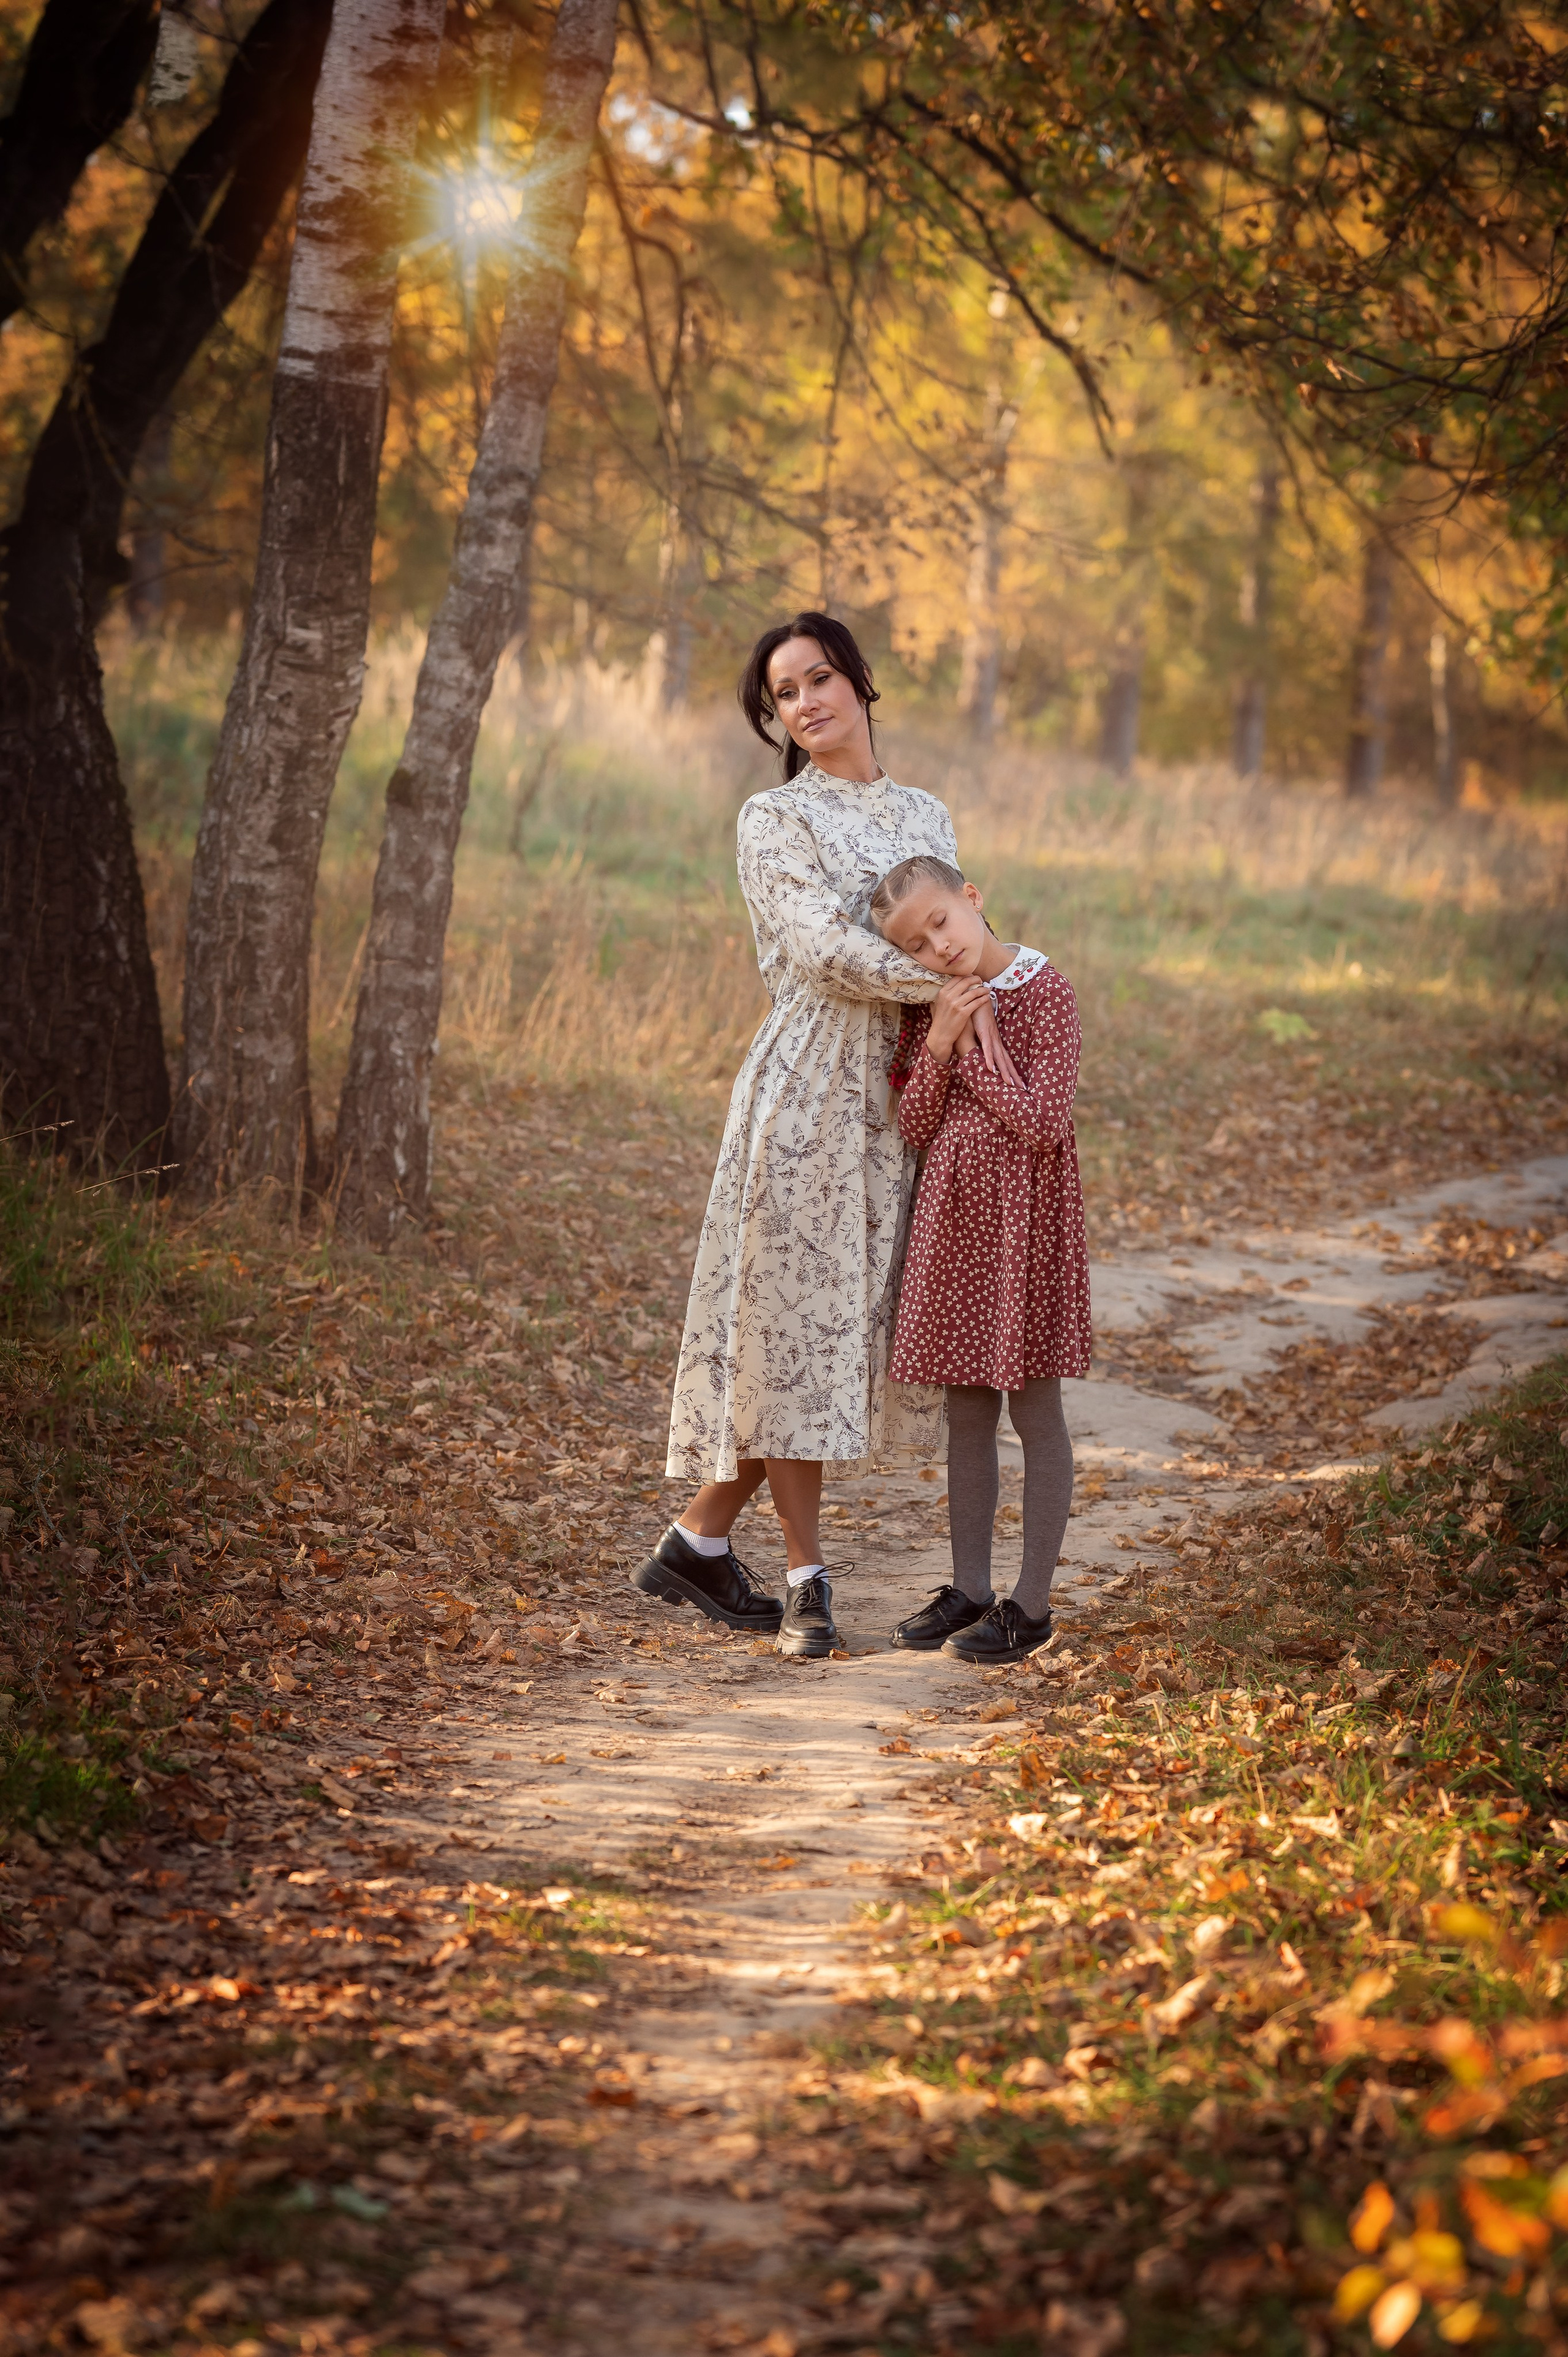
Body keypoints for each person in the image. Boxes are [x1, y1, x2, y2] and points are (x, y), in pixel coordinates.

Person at [630, 614, 1011, 1659]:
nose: (806, 702)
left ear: (860, 682)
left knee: (832, 1344)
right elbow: (823, 948)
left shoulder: (926, 809)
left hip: (908, 1100)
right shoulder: (771, 820)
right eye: (784, 694)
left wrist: (980, 1012)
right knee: (793, 1330)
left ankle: (697, 1545)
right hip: (806, 1095)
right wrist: (950, 981)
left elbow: (960, 928)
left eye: (820, 678)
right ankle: (806, 1583)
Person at [872, 853, 1091, 1663]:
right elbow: (917, 1126)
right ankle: (970, 1589)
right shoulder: (937, 1010)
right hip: (958, 1225)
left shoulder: (1047, 991)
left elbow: (1041, 1121)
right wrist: (941, 1045)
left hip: (1025, 1227)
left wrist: (968, 1052)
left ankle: (1030, 1607)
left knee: (1034, 1412)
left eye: (941, 922)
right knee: (966, 1415)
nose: (939, 947)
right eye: (919, 946)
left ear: (972, 900)